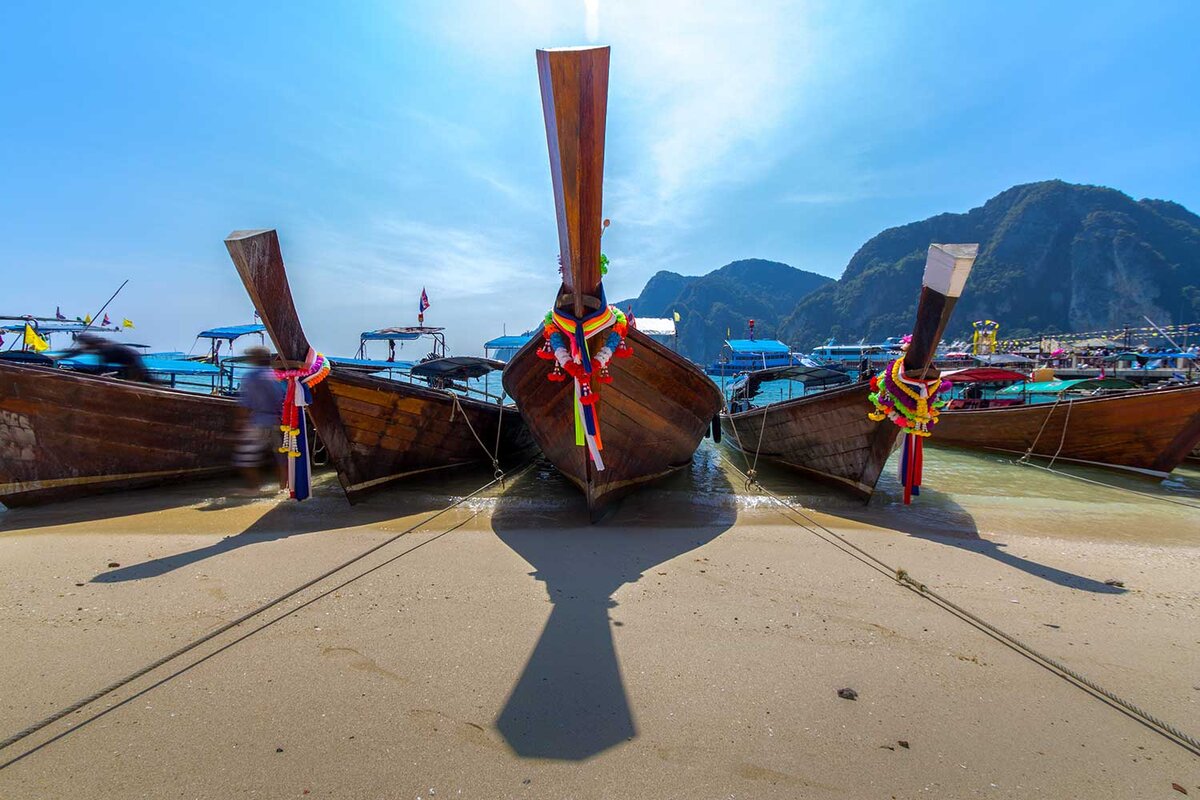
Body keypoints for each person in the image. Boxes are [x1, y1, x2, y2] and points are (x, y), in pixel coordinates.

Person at [234, 347, 286, 492]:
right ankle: (283, 489)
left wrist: (240, 421)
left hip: (258, 422)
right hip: (277, 422)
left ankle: (255, 489)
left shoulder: (250, 377)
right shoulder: (277, 376)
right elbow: (284, 398)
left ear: (254, 359)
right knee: (281, 459)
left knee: (246, 459)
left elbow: (245, 403)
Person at [68, 333, 153, 382]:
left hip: (132, 361)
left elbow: (101, 368)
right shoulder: (97, 346)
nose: (82, 346)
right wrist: (59, 357)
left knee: (144, 379)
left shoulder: (105, 349)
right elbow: (78, 351)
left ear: (89, 343)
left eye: (83, 344)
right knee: (145, 379)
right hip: (130, 360)